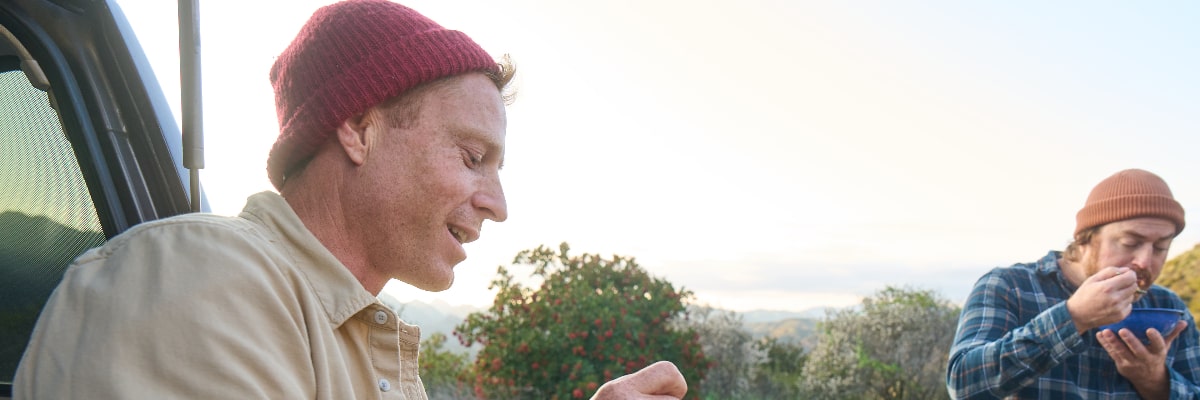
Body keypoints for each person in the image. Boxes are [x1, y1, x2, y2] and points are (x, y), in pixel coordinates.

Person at [12, 1, 688, 398]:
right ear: (359, 129)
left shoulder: (364, 339)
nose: (497, 204)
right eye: (473, 157)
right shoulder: (195, 279)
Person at [946, 169, 1200, 399]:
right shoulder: (1010, 286)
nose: (1145, 261)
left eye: (1160, 247)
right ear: (1084, 239)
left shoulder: (1168, 306)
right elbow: (964, 385)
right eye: (1130, 243)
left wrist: (1155, 382)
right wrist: (1073, 317)